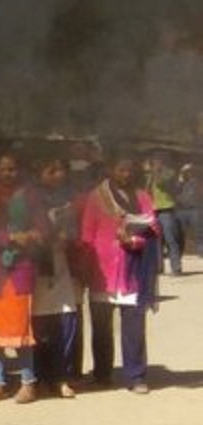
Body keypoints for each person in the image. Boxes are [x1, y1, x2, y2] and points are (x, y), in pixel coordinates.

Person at [78, 154, 160, 393]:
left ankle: (136, 376)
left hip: (132, 270)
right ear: (110, 169)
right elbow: (87, 233)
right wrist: (84, 266)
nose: (126, 174)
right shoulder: (96, 197)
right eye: (121, 169)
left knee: (134, 326)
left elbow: (153, 228)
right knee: (101, 328)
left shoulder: (143, 197)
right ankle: (102, 374)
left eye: (129, 169)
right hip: (101, 271)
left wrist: (133, 240)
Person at [0, 152, 49, 403]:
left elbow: (43, 228)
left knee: (21, 329)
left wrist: (31, 236)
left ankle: (28, 382)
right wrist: (8, 238)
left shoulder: (30, 194)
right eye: (4, 169)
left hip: (21, 268)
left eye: (13, 169)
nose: (9, 174)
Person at [31, 157, 81, 400]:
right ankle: (41, 378)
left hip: (62, 266)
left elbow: (75, 230)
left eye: (61, 169)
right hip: (37, 268)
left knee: (66, 322)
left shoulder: (68, 198)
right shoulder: (27, 198)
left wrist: (66, 236)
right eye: (52, 169)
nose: (57, 175)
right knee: (39, 326)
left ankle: (62, 376)